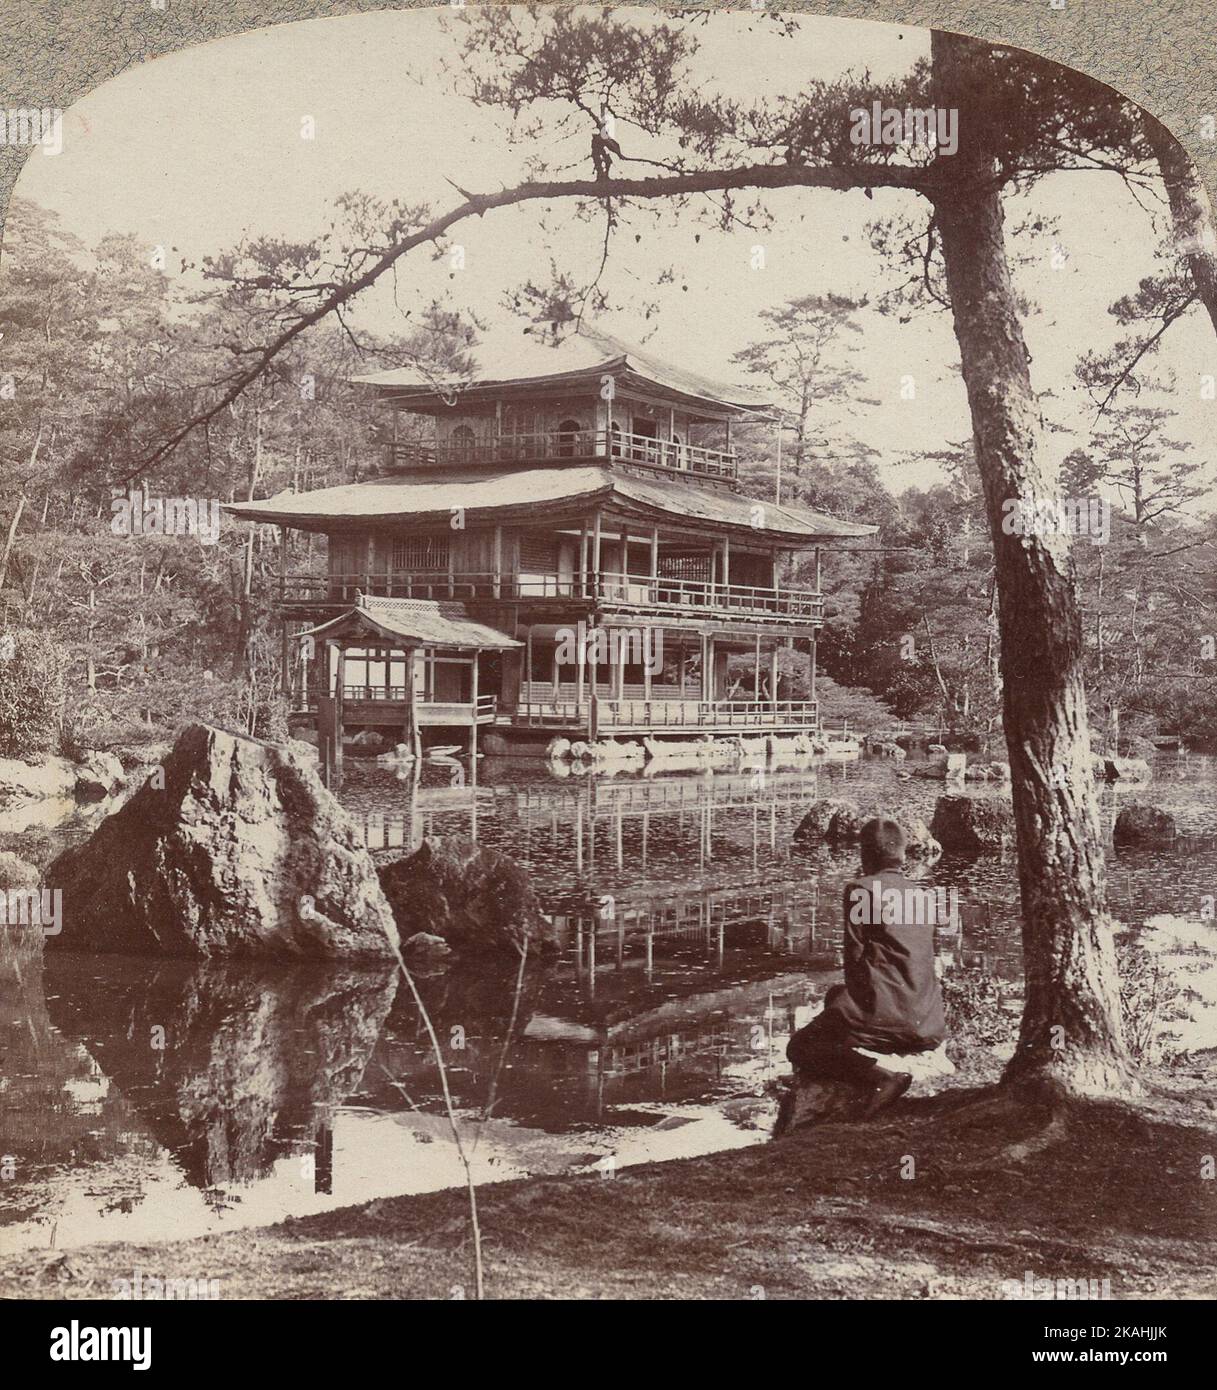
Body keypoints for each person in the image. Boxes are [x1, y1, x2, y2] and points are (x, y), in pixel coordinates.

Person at [786, 817, 947, 1118]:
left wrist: (846, 1016)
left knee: (800, 1046)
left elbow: (855, 962)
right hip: (928, 1024)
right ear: (902, 854)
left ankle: (882, 1077)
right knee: (836, 997)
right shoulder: (923, 896)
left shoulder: (862, 891)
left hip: (886, 1018)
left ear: (865, 854)